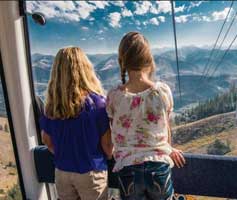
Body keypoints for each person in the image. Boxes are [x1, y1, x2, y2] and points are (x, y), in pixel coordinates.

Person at [106, 32, 185, 200]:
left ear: (123, 62)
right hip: (159, 164)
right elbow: (166, 127)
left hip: (127, 168)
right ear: (148, 59)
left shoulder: (114, 96)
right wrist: (168, 149)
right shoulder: (162, 91)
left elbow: (115, 130)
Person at [40, 47, 112, 200]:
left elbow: (46, 140)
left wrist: (63, 154)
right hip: (91, 172)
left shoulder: (52, 107)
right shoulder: (98, 104)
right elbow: (107, 145)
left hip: (62, 173)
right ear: (85, 70)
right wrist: (109, 156)